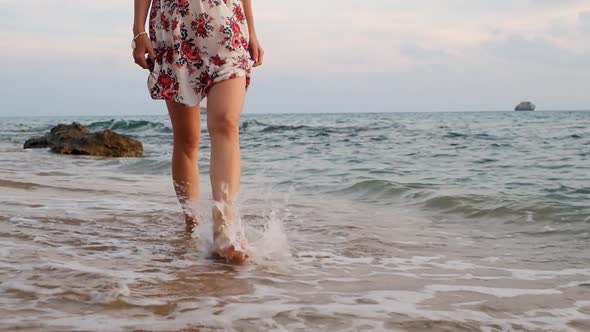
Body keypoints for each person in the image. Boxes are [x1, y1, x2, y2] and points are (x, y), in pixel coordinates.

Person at [132, 0, 264, 264]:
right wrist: (139, 33)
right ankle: (192, 224)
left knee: (227, 121)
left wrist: (252, 31)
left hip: (227, 26)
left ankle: (224, 229)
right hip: (174, 29)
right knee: (187, 138)